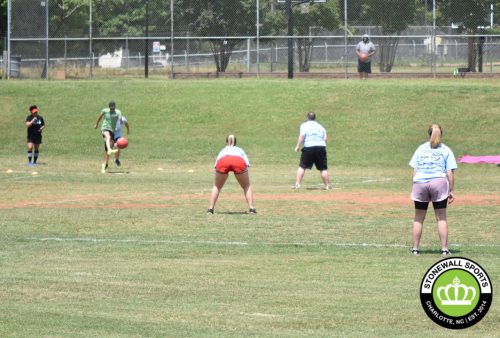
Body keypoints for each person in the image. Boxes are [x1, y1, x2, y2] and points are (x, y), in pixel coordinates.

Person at [409, 124, 457, 256]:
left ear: (428, 134)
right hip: (439, 182)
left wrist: (416, 185)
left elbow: (415, 170)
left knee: (419, 218)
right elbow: (450, 172)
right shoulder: (446, 150)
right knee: (441, 218)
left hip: (420, 182)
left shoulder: (420, 149)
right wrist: (451, 190)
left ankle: (415, 249)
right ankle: (444, 249)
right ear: (440, 135)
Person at [208, 135, 256, 214]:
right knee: (246, 185)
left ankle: (210, 209)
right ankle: (251, 208)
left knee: (217, 186)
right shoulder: (239, 149)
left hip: (223, 161)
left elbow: (216, 164)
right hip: (238, 160)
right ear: (236, 143)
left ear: (226, 142)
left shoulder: (223, 150)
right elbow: (246, 163)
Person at [294, 112, 331, 190]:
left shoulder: (304, 125)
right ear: (315, 118)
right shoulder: (321, 126)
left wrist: (297, 146)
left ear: (307, 118)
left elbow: (302, 135)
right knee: (323, 168)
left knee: (302, 166)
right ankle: (327, 186)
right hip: (321, 147)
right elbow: (325, 139)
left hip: (309, 147)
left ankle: (297, 184)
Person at [94, 101, 122, 174]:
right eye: (111, 108)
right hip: (105, 128)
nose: (112, 109)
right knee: (108, 136)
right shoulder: (105, 111)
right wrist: (96, 124)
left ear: (115, 107)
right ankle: (109, 149)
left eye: (113, 108)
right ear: (109, 107)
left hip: (112, 130)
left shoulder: (118, 112)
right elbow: (99, 117)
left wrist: (120, 121)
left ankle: (104, 166)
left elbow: (120, 119)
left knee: (107, 153)